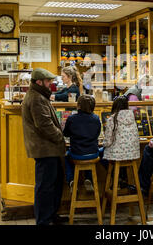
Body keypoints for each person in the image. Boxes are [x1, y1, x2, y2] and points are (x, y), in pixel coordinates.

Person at [22, 68, 67, 225]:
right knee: (45, 187)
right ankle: (43, 220)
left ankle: (51, 215)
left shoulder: (39, 95)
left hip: (48, 148)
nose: (51, 84)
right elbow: (44, 125)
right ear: (39, 82)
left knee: (53, 184)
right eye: (49, 81)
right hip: (45, 148)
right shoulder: (36, 98)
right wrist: (60, 136)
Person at [63, 94, 101, 192]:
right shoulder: (96, 118)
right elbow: (97, 134)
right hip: (93, 153)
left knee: (66, 156)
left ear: (79, 105)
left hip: (77, 154)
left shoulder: (71, 118)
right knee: (90, 153)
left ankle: (71, 180)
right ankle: (89, 179)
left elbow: (66, 133)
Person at [103, 95, 140, 187]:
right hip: (133, 154)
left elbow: (107, 142)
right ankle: (122, 179)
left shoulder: (112, 119)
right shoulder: (132, 117)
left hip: (117, 155)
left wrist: (102, 143)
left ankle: (117, 178)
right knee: (121, 154)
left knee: (101, 153)